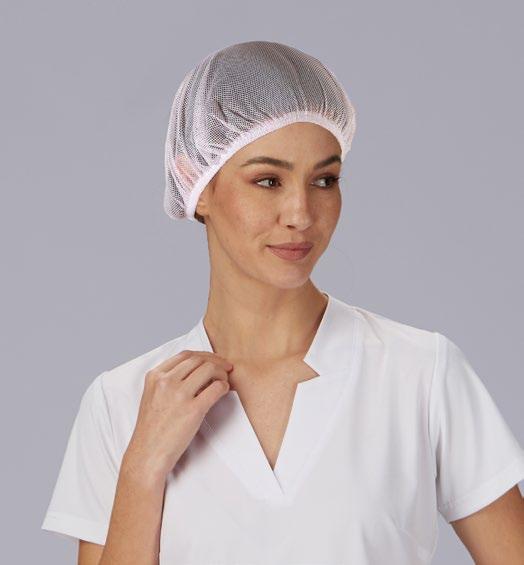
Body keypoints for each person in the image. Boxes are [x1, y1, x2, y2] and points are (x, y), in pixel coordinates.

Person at [40, 41, 524, 564]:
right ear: (195, 182)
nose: (300, 214)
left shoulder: (418, 373)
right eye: (268, 181)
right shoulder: (122, 402)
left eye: (324, 180)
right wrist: (142, 469)